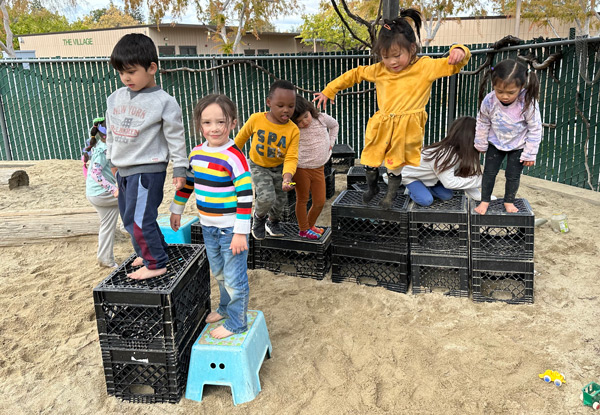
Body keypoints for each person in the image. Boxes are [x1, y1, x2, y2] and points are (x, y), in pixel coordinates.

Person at [314, 9, 471, 209]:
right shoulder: (380, 69)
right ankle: (373, 188)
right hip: (383, 123)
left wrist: (460, 50)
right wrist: (329, 90)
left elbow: (453, 66)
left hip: (407, 128)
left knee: (395, 164)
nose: (392, 62)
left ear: (412, 48)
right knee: (370, 159)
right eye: (386, 56)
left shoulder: (424, 67)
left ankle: (390, 194)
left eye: (397, 55)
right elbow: (355, 74)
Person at [106, 33, 188, 280]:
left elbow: (176, 137)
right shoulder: (115, 98)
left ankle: (156, 264)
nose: (126, 78)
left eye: (131, 71)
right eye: (121, 72)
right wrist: (111, 160)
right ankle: (153, 250)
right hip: (123, 169)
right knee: (129, 217)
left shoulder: (165, 102)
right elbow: (110, 132)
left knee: (139, 220)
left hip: (147, 170)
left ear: (152, 68)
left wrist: (180, 168)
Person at [170, 94, 252, 339]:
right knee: (218, 272)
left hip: (230, 230)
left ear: (233, 123)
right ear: (199, 125)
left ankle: (237, 322)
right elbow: (189, 183)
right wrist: (177, 209)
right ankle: (225, 308)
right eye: (207, 122)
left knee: (235, 278)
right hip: (208, 227)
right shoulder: (196, 154)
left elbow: (246, 196)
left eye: (221, 122)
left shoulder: (234, 157)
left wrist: (240, 232)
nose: (214, 128)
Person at [474, 59, 542, 215]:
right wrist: (481, 143)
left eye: (511, 92)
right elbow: (483, 121)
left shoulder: (527, 102)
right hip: (495, 142)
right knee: (489, 173)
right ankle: (485, 200)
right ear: (494, 86)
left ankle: (509, 201)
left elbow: (535, 128)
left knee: (512, 175)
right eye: (499, 91)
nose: (504, 96)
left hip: (518, 145)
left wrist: (530, 153)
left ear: (521, 86)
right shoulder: (490, 100)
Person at [234, 80, 300, 240]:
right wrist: (231, 162)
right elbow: (239, 141)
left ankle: (272, 221)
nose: (286, 110)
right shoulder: (256, 119)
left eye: (291, 106)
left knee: (282, 199)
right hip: (258, 165)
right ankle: (258, 219)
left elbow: (291, 157)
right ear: (269, 102)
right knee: (266, 197)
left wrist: (288, 178)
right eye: (280, 105)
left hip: (279, 167)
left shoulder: (293, 130)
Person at [401, 116, 482, 206]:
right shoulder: (446, 155)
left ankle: (425, 187)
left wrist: (479, 196)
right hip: (412, 177)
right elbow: (450, 183)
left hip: (431, 178)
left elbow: (464, 177)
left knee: (447, 195)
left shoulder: (461, 154)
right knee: (426, 200)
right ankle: (410, 190)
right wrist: (480, 181)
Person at [291, 95, 338, 239]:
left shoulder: (321, 118)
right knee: (303, 199)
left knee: (320, 201)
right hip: (301, 168)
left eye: (306, 117)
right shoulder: (292, 127)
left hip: (319, 167)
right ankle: (304, 229)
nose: (304, 122)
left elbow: (335, 125)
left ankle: (310, 226)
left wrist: (331, 141)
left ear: (310, 110)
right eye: (299, 121)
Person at [85, 117, 120, 268]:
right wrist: (114, 190)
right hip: (101, 194)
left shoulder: (100, 145)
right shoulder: (103, 149)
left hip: (93, 193)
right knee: (134, 198)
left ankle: (105, 259)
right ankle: (128, 227)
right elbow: (95, 173)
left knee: (107, 224)